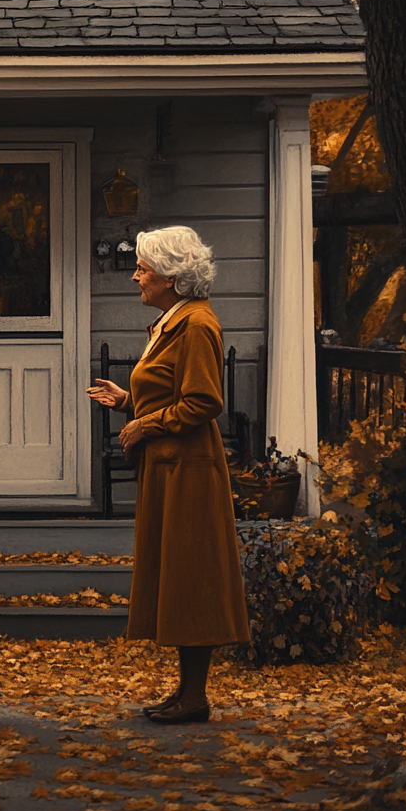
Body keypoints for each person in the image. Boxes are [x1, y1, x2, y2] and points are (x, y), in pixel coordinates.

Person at [86, 225, 249, 724]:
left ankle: (195, 698)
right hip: (169, 466)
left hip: (190, 471)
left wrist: (143, 425)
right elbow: (173, 392)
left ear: (173, 277)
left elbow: (203, 401)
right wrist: (129, 402)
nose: (135, 275)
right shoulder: (172, 320)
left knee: (191, 575)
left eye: (144, 268)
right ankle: (186, 692)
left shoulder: (196, 324)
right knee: (177, 577)